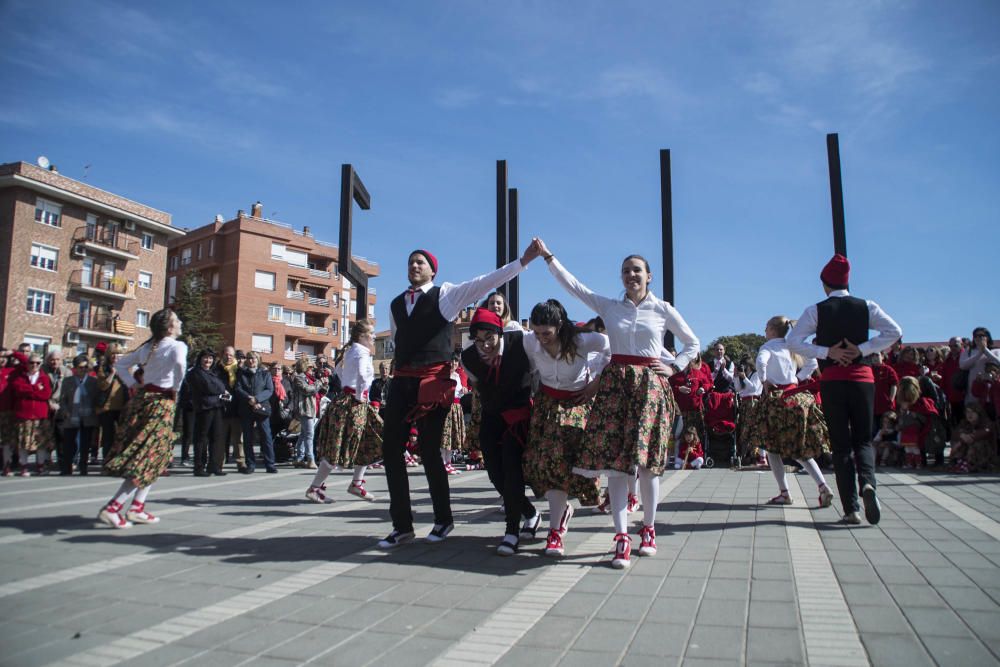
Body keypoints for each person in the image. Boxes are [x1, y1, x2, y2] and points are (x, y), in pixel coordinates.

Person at [538, 238, 699, 569]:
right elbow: (575, 288)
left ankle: (649, 529)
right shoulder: (610, 307)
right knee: (614, 463)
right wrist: (549, 258)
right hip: (615, 388)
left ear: (649, 276)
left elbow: (692, 342)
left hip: (650, 386)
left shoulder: (662, 309)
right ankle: (622, 537)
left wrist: (674, 366)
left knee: (647, 463)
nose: (631, 275)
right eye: (626, 271)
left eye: (637, 270)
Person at [378, 242, 544, 550]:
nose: (414, 266)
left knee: (429, 452)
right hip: (402, 382)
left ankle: (443, 520)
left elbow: (485, 281)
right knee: (390, 452)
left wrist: (522, 261)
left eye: (420, 262)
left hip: (432, 383)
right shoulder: (396, 304)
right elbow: (399, 342)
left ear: (432, 270)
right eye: (411, 262)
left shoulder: (446, 296)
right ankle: (402, 525)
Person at [787, 254, 901, 526]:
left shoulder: (816, 310)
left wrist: (827, 351)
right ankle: (868, 484)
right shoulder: (867, 307)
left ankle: (851, 509)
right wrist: (861, 349)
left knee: (840, 445)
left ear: (825, 283)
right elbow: (894, 331)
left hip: (833, 379)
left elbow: (793, 341)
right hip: (863, 378)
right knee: (862, 439)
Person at [520, 299, 609, 556]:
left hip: (576, 404)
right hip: (547, 405)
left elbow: (613, 349)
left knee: (572, 466)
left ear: (559, 326)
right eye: (536, 332)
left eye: (546, 332)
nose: (541, 338)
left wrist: (596, 382)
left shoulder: (584, 341)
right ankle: (555, 529)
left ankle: (560, 519)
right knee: (549, 464)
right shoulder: (529, 341)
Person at [461, 308, 541, 555]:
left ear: (500, 333)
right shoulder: (468, 357)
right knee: (495, 474)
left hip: (518, 415)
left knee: (511, 467)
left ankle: (511, 532)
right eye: (479, 340)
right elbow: (477, 385)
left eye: (490, 339)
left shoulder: (521, 342)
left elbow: (539, 371)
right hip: (492, 414)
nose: (485, 346)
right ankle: (530, 512)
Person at [98, 309, 187, 528]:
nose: (180, 322)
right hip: (161, 404)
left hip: (144, 401)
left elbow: (120, 365)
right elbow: (180, 367)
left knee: (155, 456)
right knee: (147, 457)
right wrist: (175, 388)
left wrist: (133, 384)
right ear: (169, 327)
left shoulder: (148, 347)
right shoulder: (177, 346)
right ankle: (114, 507)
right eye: (176, 320)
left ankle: (137, 506)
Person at [751, 316, 834, 509]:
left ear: (772, 329)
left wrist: (763, 380)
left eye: (766, 328)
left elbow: (761, 363)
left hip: (777, 400)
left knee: (771, 447)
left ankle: (785, 492)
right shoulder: (792, 347)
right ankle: (822, 485)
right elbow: (812, 363)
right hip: (796, 397)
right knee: (799, 448)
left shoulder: (768, 347)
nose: (764, 331)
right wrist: (798, 379)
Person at [308, 319, 382, 503]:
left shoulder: (351, 351)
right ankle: (315, 487)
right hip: (354, 404)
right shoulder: (361, 353)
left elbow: (340, 373)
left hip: (348, 401)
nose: (374, 337)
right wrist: (359, 395)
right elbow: (363, 377)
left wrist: (352, 391)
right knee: (339, 446)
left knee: (366, 440)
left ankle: (356, 484)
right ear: (362, 336)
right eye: (371, 334)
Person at [185, 349, 229, 476]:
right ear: (200, 359)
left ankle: (213, 466)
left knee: (216, 437)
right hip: (204, 409)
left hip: (216, 408)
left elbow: (221, 387)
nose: (208, 360)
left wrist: (220, 390)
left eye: (210, 358)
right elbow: (210, 388)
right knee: (201, 438)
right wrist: (220, 391)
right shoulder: (195, 373)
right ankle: (199, 467)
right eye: (205, 358)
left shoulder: (212, 373)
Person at [11, 353, 53, 476]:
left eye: (37, 363)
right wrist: (35, 388)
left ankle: (39, 466)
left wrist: (29, 390)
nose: (34, 365)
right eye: (32, 363)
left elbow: (45, 394)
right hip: (24, 415)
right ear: (27, 364)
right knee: (23, 443)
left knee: (40, 442)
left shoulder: (44, 377)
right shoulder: (21, 377)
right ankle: (23, 466)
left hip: (40, 416)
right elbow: (18, 390)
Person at [234, 351, 276, 473]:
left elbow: (269, 390)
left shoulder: (265, 373)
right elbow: (238, 388)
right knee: (247, 437)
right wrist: (249, 399)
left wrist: (257, 399)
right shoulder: (242, 373)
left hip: (261, 408)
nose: (251, 361)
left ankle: (270, 464)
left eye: (254, 359)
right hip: (246, 408)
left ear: (258, 360)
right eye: (249, 358)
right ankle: (250, 464)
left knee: (266, 436)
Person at [57, 354, 99, 475]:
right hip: (71, 416)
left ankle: (83, 466)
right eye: (81, 367)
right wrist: (64, 411)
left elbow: (97, 398)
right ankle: (67, 467)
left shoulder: (92, 382)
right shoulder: (68, 381)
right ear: (75, 368)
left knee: (85, 444)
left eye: (86, 367)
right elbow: (63, 399)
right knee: (69, 443)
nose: (83, 370)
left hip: (88, 417)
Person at [95, 343, 128, 464]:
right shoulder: (103, 368)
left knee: (121, 436)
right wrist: (113, 373)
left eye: (119, 353)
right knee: (108, 436)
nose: (116, 356)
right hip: (107, 408)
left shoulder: (126, 368)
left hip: (122, 407)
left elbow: (130, 384)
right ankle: (107, 460)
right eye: (113, 354)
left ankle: (119, 461)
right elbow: (102, 386)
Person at [216, 346, 247, 472]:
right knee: (221, 438)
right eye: (226, 354)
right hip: (222, 408)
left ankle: (241, 463)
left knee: (238, 439)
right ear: (222, 355)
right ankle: (219, 464)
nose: (228, 357)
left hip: (236, 409)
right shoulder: (217, 369)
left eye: (230, 355)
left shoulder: (240, 370)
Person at [897, 376, 937, 470]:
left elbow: (926, 418)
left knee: (916, 448)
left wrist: (916, 415)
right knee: (908, 448)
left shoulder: (922, 402)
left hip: (917, 430)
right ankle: (909, 462)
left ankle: (919, 462)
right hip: (907, 430)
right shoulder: (902, 398)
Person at [290, 358, 320, 469]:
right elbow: (307, 390)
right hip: (304, 409)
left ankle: (299, 458)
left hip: (311, 409)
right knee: (309, 435)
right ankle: (310, 459)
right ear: (305, 367)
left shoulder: (311, 379)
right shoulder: (298, 378)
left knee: (303, 434)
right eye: (311, 367)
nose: (313, 370)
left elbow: (319, 391)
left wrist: (324, 384)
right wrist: (318, 384)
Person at [950, 403, 996, 473]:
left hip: (986, 454)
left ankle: (970, 464)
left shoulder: (986, 422)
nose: (969, 414)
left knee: (976, 443)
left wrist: (963, 440)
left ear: (978, 413)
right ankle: (959, 462)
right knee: (958, 440)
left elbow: (985, 432)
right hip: (968, 451)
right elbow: (955, 433)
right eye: (967, 412)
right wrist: (961, 435)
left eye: (973, 412)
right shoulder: (964, 422)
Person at [441, 355, 466, 475]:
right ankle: (443, 463)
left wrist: (462, 392)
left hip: (456, 407)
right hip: (447, 407)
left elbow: (458, 394)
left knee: (453, 436)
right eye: (452, 361)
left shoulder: (457, 376)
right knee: (446, 437)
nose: (454, 363)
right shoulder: (444, 376)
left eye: (456, 361)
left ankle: (449, 463)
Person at [960, 328, 1000, 403]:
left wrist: (985, 350)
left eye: (981, 335)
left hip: (992, 390)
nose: (978, 338)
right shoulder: (968, 351)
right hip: (973, 388)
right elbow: (963, 366)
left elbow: (998, 362)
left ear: (987, 337)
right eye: (976, 336)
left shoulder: (996, 350)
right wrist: (979, 353)